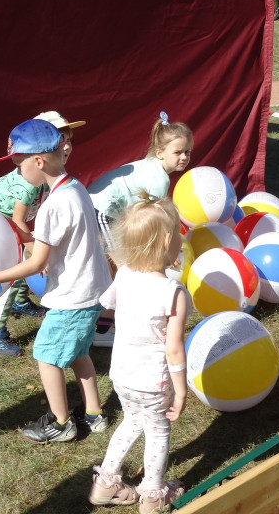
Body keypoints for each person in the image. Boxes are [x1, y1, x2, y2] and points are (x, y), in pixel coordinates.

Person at [0, 118, 113, 443]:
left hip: (73, 298)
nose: (17, 171)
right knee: (78, 353)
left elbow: (36, 261)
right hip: (91, 291)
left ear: (38, 161)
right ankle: (95, 415)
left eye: (18, 163)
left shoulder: (55, 204)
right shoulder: (76, 187)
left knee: (45, 354)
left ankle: (60, 423)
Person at [88, 194, 189, 514]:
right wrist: (182, 390)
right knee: (158, 431)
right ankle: (153, 495)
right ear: (166, 242)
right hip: (153, 380)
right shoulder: (173, 293)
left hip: (122, 374)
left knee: (132, 421)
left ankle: (105, 484)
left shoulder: (125, 274)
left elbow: (109, 302)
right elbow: (173, 348)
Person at [0, 110, 86, 357]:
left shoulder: (50, 170)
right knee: (13, 272)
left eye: (68, 139)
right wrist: (33, 247)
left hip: (16, 220)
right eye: (60, 139)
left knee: (27, 262)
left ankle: (20, 301)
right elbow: (17, 219)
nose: (66, 146)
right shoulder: (29, 182)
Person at [86, 114, 194, 346]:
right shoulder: (158, 179)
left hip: (108, 213)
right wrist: (167, 251)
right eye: (178, 152)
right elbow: (155, 220)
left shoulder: (154, 169)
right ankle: (105, 330)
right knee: (127, 270)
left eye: (187, 152)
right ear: (160, 152)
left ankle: (106, 327)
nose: (184, 157)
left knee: (125, 270)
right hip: (100, 212)